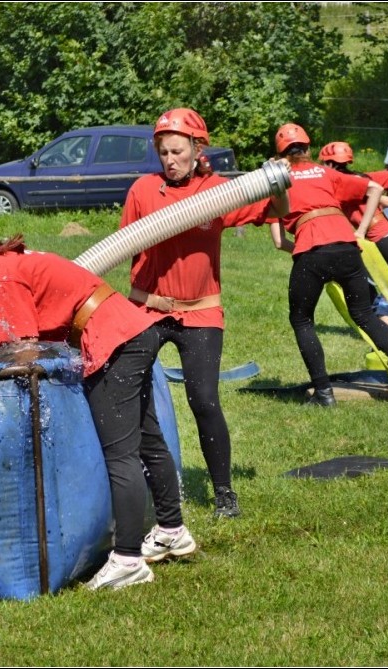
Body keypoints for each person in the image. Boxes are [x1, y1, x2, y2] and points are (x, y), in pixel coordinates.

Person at [0, 208, 196, 590]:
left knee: (121, 454)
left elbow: (23, 349)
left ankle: (127, 560)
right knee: (148, 440)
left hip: (112, 339)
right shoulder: (12, 256)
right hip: (130, 328)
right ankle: (171, 529)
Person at [121, 107, 290, 519]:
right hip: (148, 309)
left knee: (204, 400)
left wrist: (279, 179)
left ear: (198, 149)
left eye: (177, 151)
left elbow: (276, 209)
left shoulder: (218, 191)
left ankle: (224, 494)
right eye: (163, 153)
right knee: (124, 394)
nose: (169, 160)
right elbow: (124, 245)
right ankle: (132, 485)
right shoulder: (143, 190)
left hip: (200, 315)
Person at [269, 123, 388, 408]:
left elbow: (279, 241)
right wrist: (361, 231)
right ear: (309, 149)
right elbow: (376, 187)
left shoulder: (277, 180)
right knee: (364, 315)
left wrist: (301, 245)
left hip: (311, 252)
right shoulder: (326, 172)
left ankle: (324, 393)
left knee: (302, 320)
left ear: (280, 155)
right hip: (346, 246)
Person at [319, 141, 388, 270]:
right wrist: (386, 207)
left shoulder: (341, 185)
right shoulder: (361, 176)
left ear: (330, 164)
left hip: (381, 237)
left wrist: (361, 230)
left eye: (323, 164)